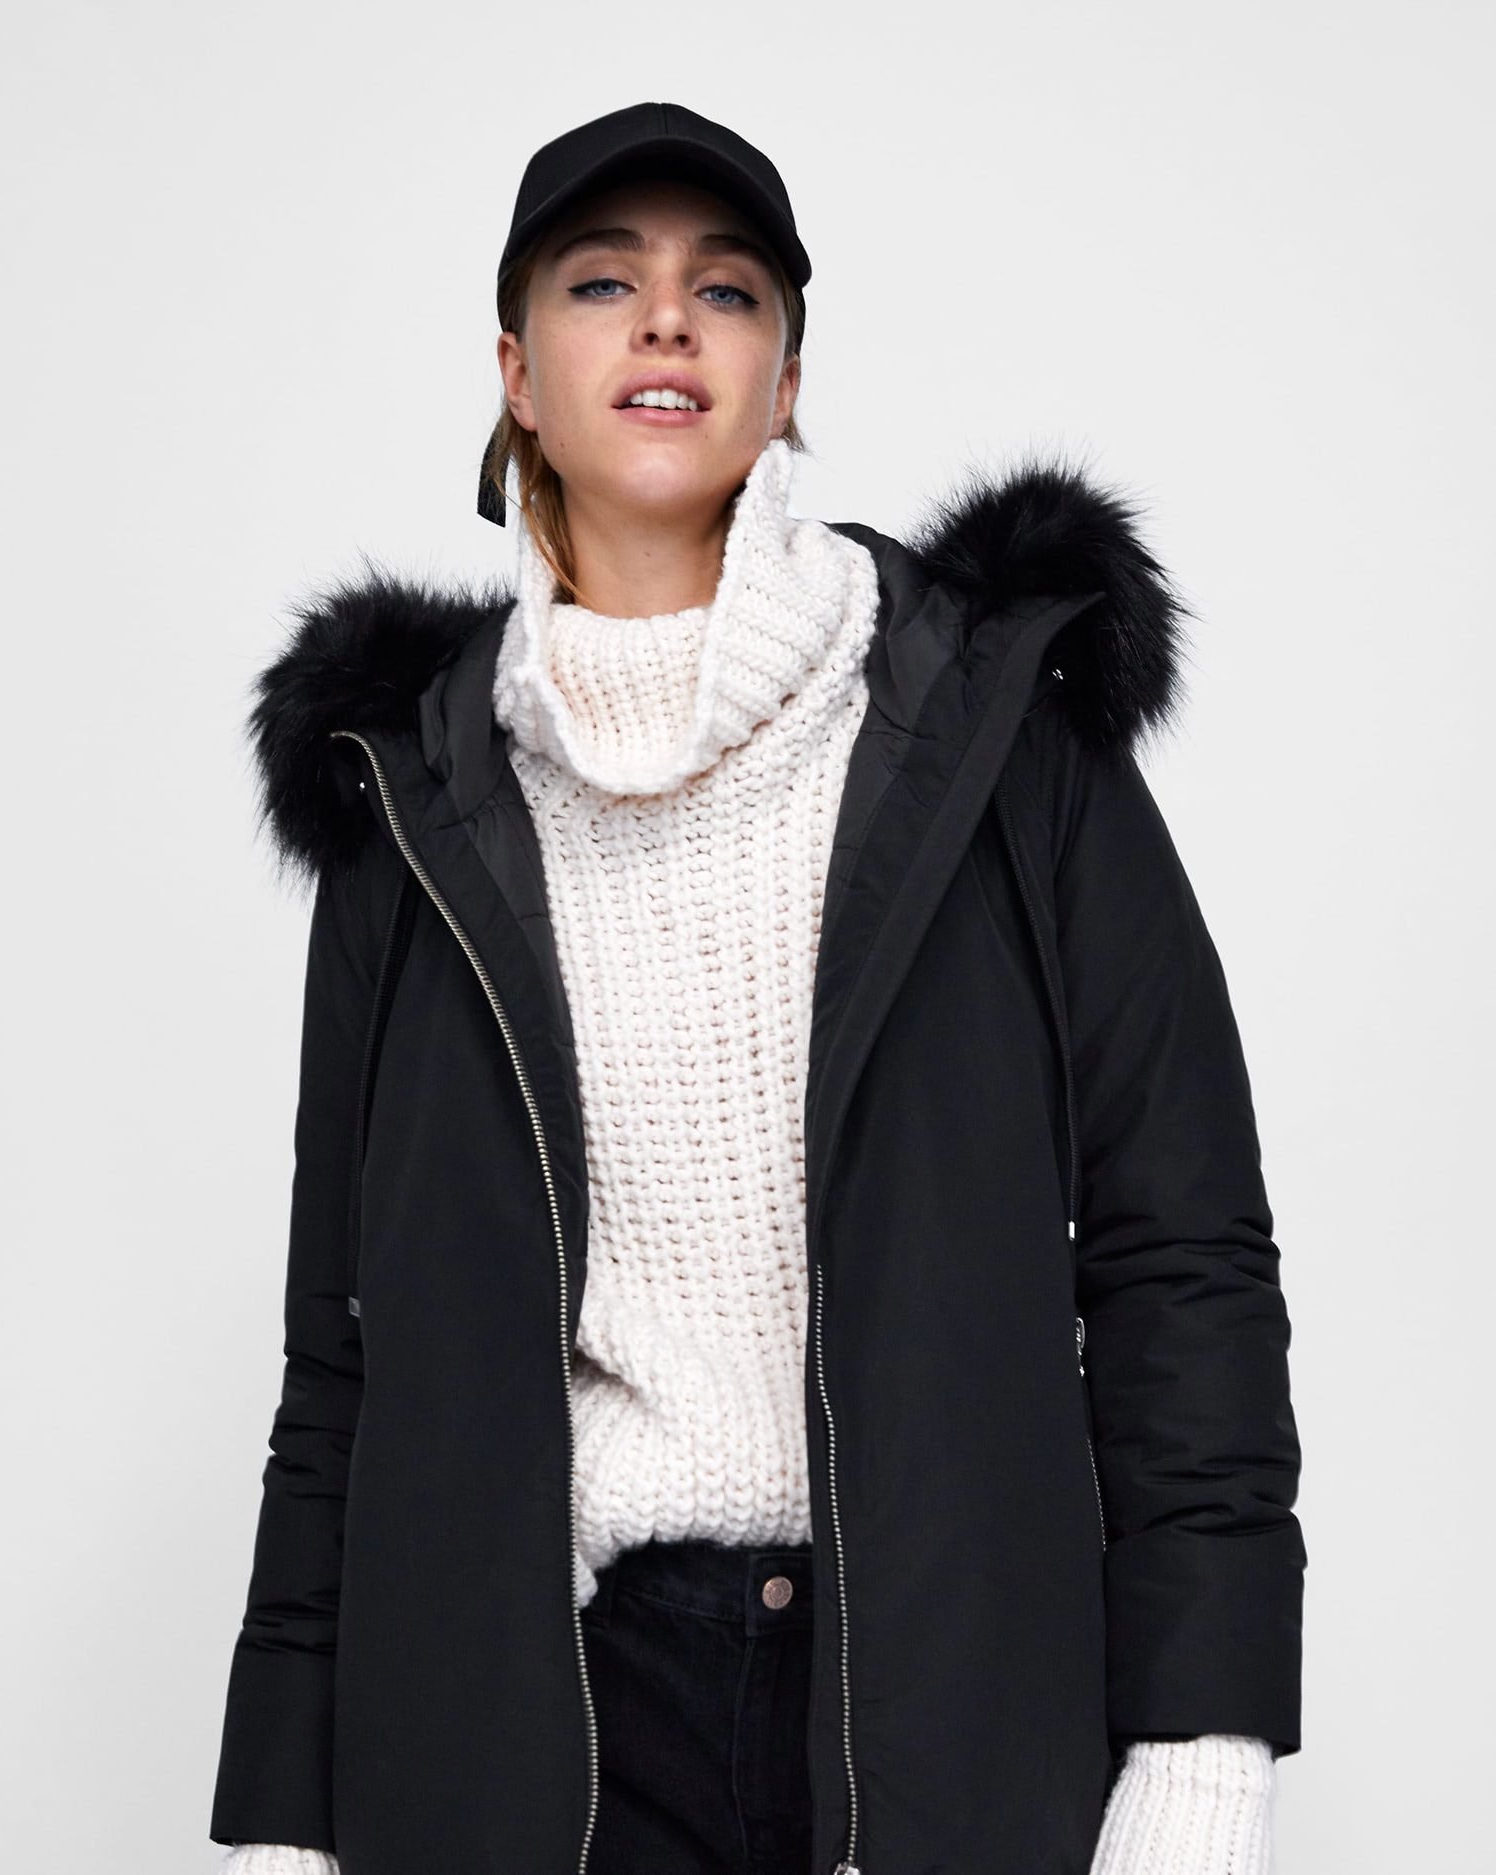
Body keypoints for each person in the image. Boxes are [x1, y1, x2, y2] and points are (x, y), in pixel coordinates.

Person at [208, 101, 1304, 1875]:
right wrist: (283, 1815)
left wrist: (1206, 1738)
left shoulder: (998, 738)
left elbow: (1181, 1253)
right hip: (543, 1738)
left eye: (724, 290)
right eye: (601, 283)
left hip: (937, 1705)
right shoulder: (404, 804)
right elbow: (340, 1358)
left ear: (783, 380)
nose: (665, 319)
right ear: (518, 375)